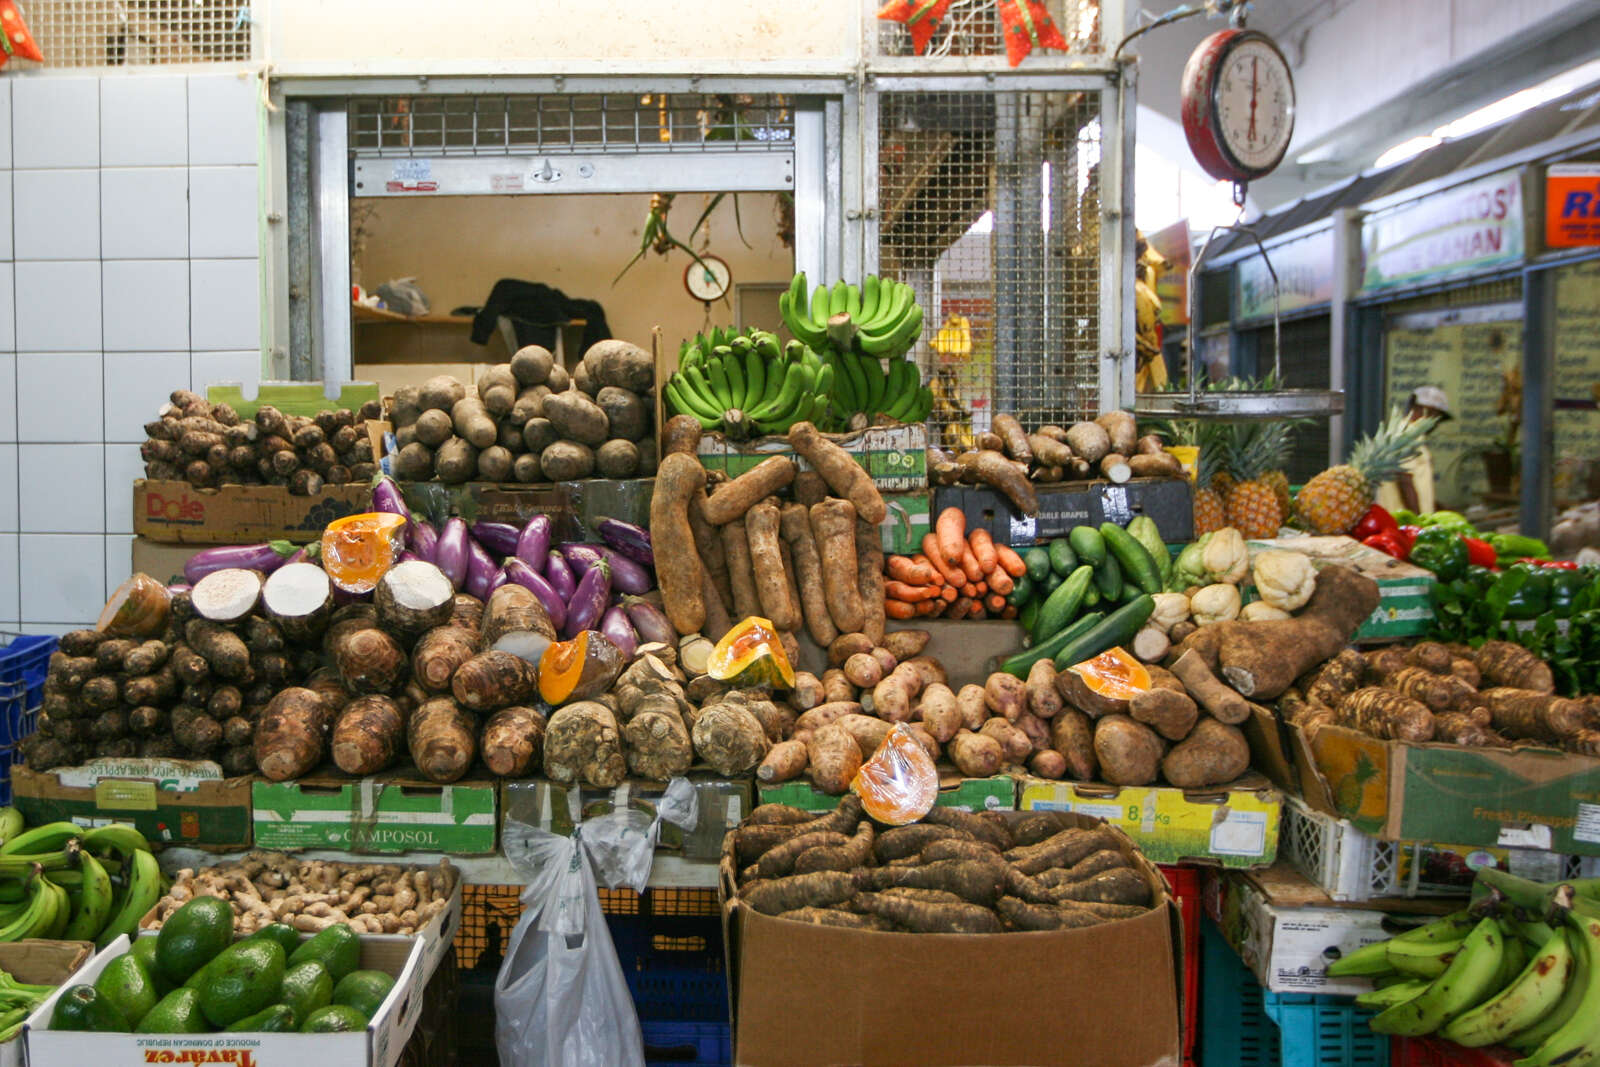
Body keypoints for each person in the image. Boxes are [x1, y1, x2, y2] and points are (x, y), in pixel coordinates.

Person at [1376, 386, 1452, 515]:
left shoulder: (1412, 434)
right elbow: (1405, 479)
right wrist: (1416, 520)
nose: (1436, 425)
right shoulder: (1406, 435)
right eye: (1437, 418)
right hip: (1402, 520)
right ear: (1428, 412)